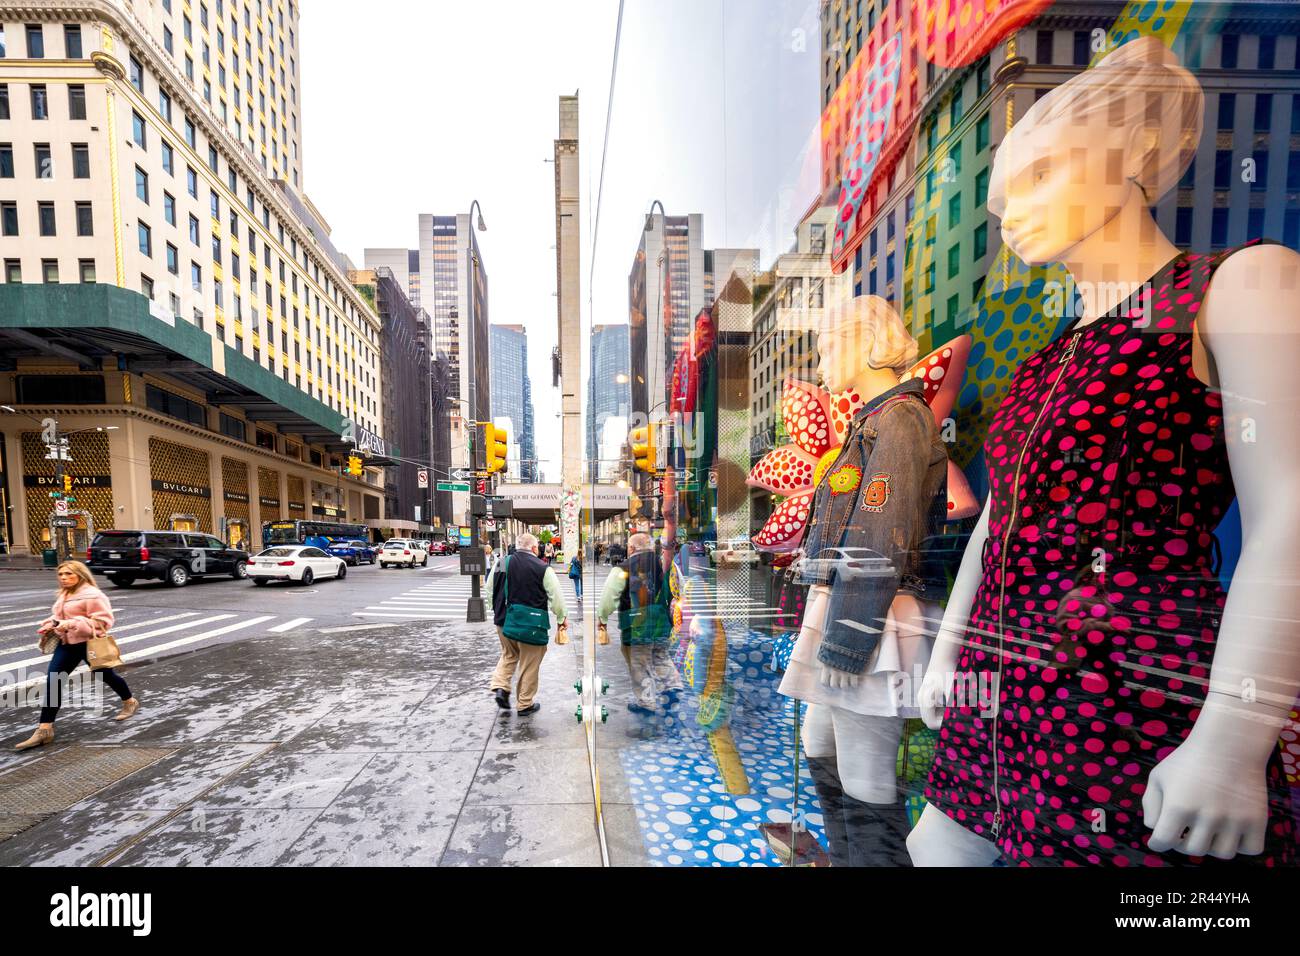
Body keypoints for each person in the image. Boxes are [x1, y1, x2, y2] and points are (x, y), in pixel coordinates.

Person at [15, 561, 139, 751]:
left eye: (68, 574)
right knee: (54, 681)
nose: (63, 578)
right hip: (67, 645)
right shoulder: (65, 593)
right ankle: (45, 730)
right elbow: (61, 617)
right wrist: (53, 622)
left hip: (89, 644)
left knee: (106, 676)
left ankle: (129, 702)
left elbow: (104, 622)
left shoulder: (93, 595)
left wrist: (73, 623)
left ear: (80, 575)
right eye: (61, 574)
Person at [597, 533, 683, 721]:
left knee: (639, 662)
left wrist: (602, 619)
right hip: (660, 620)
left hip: (636, 622)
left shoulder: (623, 568)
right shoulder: (661, 564)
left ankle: (646, 702)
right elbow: (676, 586)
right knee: (660, 654)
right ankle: (672, 685)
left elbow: (608, 597)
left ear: (631, 548)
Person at [486, 532, 568, 715]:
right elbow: (557, 597)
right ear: (533, 548)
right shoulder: (542, 568)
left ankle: (500, 687)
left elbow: (489, 588)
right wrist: (562, 619)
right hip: (532, 625)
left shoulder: (501, 563)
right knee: (529, 663)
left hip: (504, 622)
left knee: (509, 654)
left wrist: (496, 610)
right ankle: (524, 703)